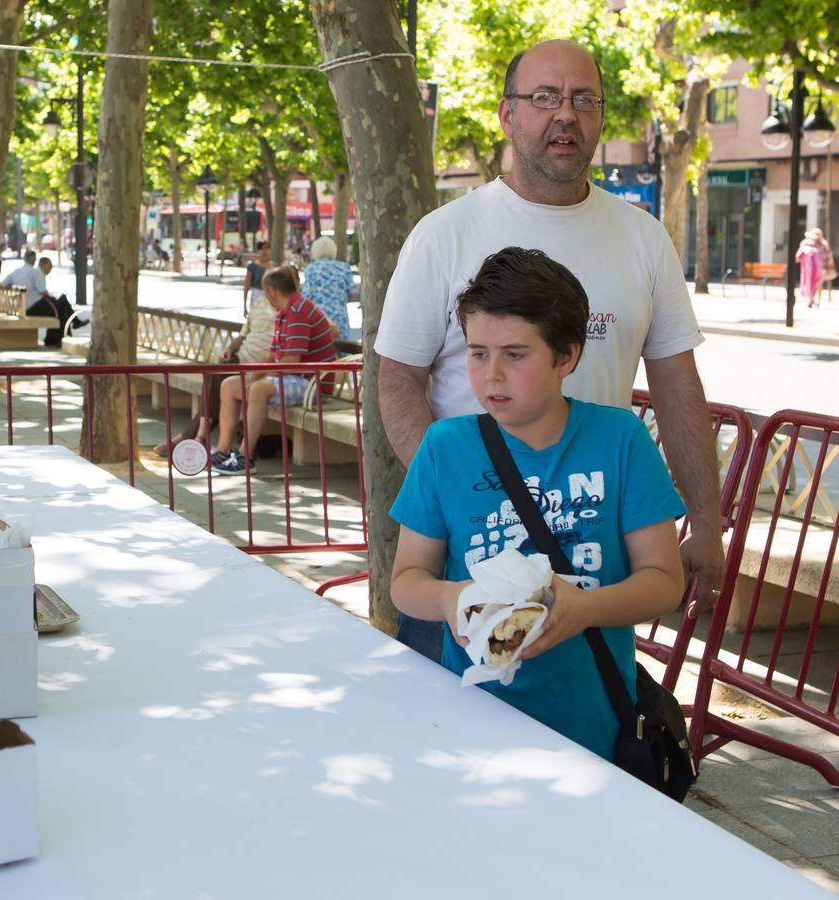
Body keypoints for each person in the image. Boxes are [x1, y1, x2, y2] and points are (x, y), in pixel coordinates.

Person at [375, 39, 720, 662]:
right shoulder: (444, 234)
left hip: (593, 560)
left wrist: (705, 520)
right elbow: (397, 380)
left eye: (583, 99)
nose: (565, 114)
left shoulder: (644, 238)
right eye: (543, 98)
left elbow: (678, 386)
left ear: (601, 116)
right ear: (507, 115)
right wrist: (452, 501)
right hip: (464, 562)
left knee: (580, 726)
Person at [389, 246, 685, 760]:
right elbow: (406, 581)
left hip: (592, 730)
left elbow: (664, 582)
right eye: (477, 353)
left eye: (515, 354)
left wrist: (585, 608)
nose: (491, 375)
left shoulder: (621, 440)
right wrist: (448, 600)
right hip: (469, 725)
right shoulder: (444, 446)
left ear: (566, 355)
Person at [211, 266, 337, 475]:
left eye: (263, 290)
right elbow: (273, 355)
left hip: (312, 384)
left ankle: (245, 457)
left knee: (259, 389)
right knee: (229, 385)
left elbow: (291, 361)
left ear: (272, 291)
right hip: (292, 377)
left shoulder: (299, 311)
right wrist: (255, 375)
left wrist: (259, 378)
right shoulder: (283, 313)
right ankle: (223, 450)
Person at [154, 257, 277, 457]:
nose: (266, 292)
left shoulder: (290, 310)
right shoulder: (260, 304)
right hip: (242, 358)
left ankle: (194, 439)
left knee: (217, 378)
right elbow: (243, 335)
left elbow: (329, 329)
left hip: (260, 366)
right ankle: (197, 439)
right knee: (214, 373)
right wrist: (229, 349)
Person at [301, 235, 358, 341]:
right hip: (340, 317)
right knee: (342, 351)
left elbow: (306, 296)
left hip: (318, 318)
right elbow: (353, 294)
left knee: (322, 351)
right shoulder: (344, 267)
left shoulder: (311, 269)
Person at [24, 256, 86, 345]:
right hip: (33, 308)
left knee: (62, 308)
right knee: (63, 301)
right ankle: (75, 322)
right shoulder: (38, 272)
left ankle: (55, 338)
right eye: (50, 266)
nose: (51, 269)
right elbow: (43, 292)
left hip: (34, 305)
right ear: (43, 264)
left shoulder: (36, 272)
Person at [796, 228, 831, 308]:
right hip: (809, 268)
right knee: (810, 283)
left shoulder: (823, 244)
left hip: (821, 268)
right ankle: (811, 299)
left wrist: (827, 266)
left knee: (818, 284)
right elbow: (800, 253)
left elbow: (828, 255)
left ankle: (818, 300)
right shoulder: (806, 242)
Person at [242, 241, 270, 313]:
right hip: (256, 298)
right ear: (258, 251)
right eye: (262, 249)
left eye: (267, 248)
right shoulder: (252, 267)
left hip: (270, 299)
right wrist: (245, 306)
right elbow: (246, 287)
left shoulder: (274, 267)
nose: (265, 251)